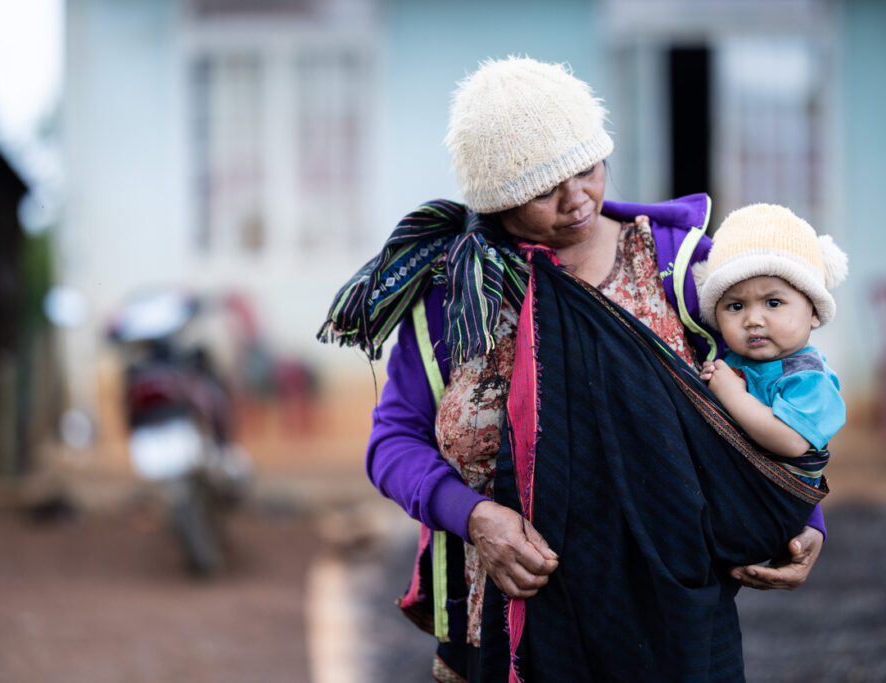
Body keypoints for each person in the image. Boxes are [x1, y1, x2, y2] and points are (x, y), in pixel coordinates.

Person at [319, 56, 828, 682]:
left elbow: (782, 388)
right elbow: (392, 441)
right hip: (506, 619)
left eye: (587, 169)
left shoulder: (682, 267)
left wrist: (804, 515)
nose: (577, 199)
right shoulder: (456, 297)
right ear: (496, 199)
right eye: (542, 189)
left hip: (670, 618)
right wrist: (474, 517)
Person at [697, 203, 849, 487]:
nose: (753, 319)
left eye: (773, 302)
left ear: (814, 312)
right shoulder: (728, 362)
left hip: (772, 505)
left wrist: (732, 395)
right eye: (736, 306)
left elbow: (791, 441)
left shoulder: (809, 378)